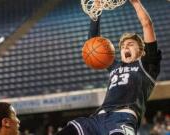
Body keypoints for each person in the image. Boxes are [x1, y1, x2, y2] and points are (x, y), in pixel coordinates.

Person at [55, 0, 161, 134]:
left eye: (130, 44)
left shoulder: (148, 66)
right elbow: (92, 42)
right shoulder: (114, 65)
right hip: (97, 119)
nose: (125, 47)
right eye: (122, 46)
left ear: (141, 50)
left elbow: (147, 25)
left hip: (122, 118)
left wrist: (135, 2)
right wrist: (97, 12)